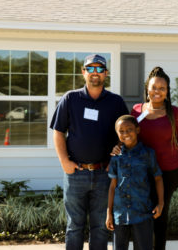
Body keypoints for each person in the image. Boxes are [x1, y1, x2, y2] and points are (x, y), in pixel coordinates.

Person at [50, 54, 129, 250]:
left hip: (104, 173)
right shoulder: (71, 98)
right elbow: (58, 131)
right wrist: (64, 162)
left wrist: (116, 157)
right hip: (76, 173)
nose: (95, 73)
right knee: (74, 227)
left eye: (100, 69)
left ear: (106, 73)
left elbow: (126, 134)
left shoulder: (116, 102)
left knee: (101, 227)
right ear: (83, 72)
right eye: (91, 69)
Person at [112, 66, 178, 250]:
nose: (157, 91)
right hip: (141, 172)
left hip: (167, 173)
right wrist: (118, 147)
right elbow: (128, 135)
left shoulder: (175, 113)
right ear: (147, 88)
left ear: (167, 91)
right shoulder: (137, 111)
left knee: (159, 215)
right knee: (142, 215)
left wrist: (172, 160)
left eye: (162, 88)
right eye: (154, 87)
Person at [106, 115, 164, 250]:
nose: (126, 133)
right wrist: (109, 213)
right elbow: (112, 186)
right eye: (121, 131)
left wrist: (160, 204)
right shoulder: (116, 157)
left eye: (129, 129)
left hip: (142, 212)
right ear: (117, 133)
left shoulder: (148, 153)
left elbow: (158, 178)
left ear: (137, 130)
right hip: (120, 214)